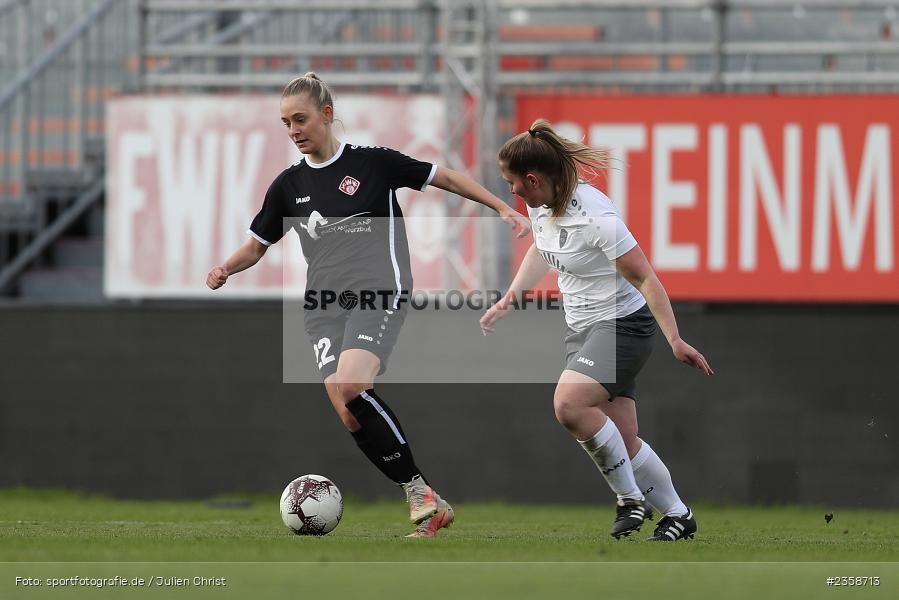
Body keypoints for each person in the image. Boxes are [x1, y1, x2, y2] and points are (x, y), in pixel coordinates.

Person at [207, 73, 531, 538]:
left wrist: (500, 208)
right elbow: (257, 246)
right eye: (285, 123)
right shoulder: (287, 186)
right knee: (345, 405)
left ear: (327, 114)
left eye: (300, 119)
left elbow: (445, 177)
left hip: (379, 289)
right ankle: (427, 502)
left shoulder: (374, 164)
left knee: (354, 384)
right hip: (322, 305)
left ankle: (419, 493)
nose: (294, 130)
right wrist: (224, 268)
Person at [480, 119, 713, 541]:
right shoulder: (539, 204)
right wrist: (511, 296)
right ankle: (679, 515)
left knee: (568, 404)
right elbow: (540, 245)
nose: (510, 191)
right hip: (584, 329)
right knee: (623, 439)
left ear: (533, 179)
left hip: (623, 325)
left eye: (512, 183)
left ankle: (629, 500)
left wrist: (675, 340)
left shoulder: (597, 218)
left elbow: (646, 279)